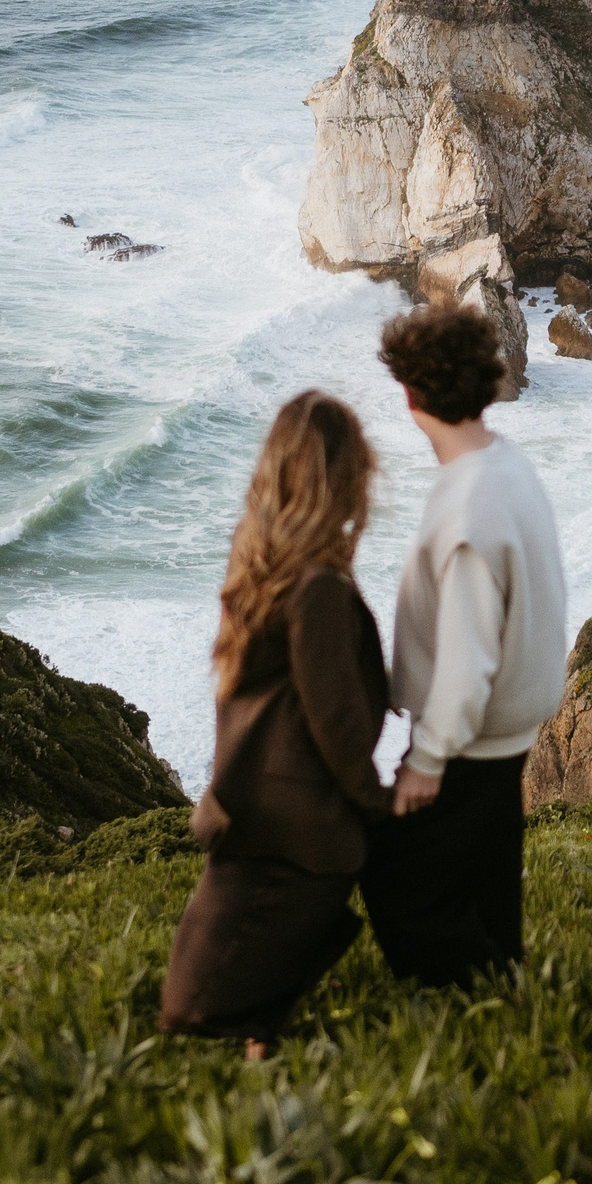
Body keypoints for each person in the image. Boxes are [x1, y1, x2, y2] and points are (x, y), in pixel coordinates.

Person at [161, 390, 392, 1056]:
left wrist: (373, 807)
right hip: (281, 829)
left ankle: (266, 1018)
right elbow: (334, 715)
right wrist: (374, 804)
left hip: (278, 828)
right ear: (343, 478)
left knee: (196, 1005)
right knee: (193, 1006)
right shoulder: (305, 579)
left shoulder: (273, 565)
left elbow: (328, 712)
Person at [360, 305, 568, 988]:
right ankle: (502, 971)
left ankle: (468, 990)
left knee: (396, 876)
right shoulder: (504, 464)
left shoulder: (469, 506)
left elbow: (468, 655)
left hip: (471, 738)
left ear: (412, 396)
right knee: (488, 870)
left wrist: (425, 758)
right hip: (511, 728)